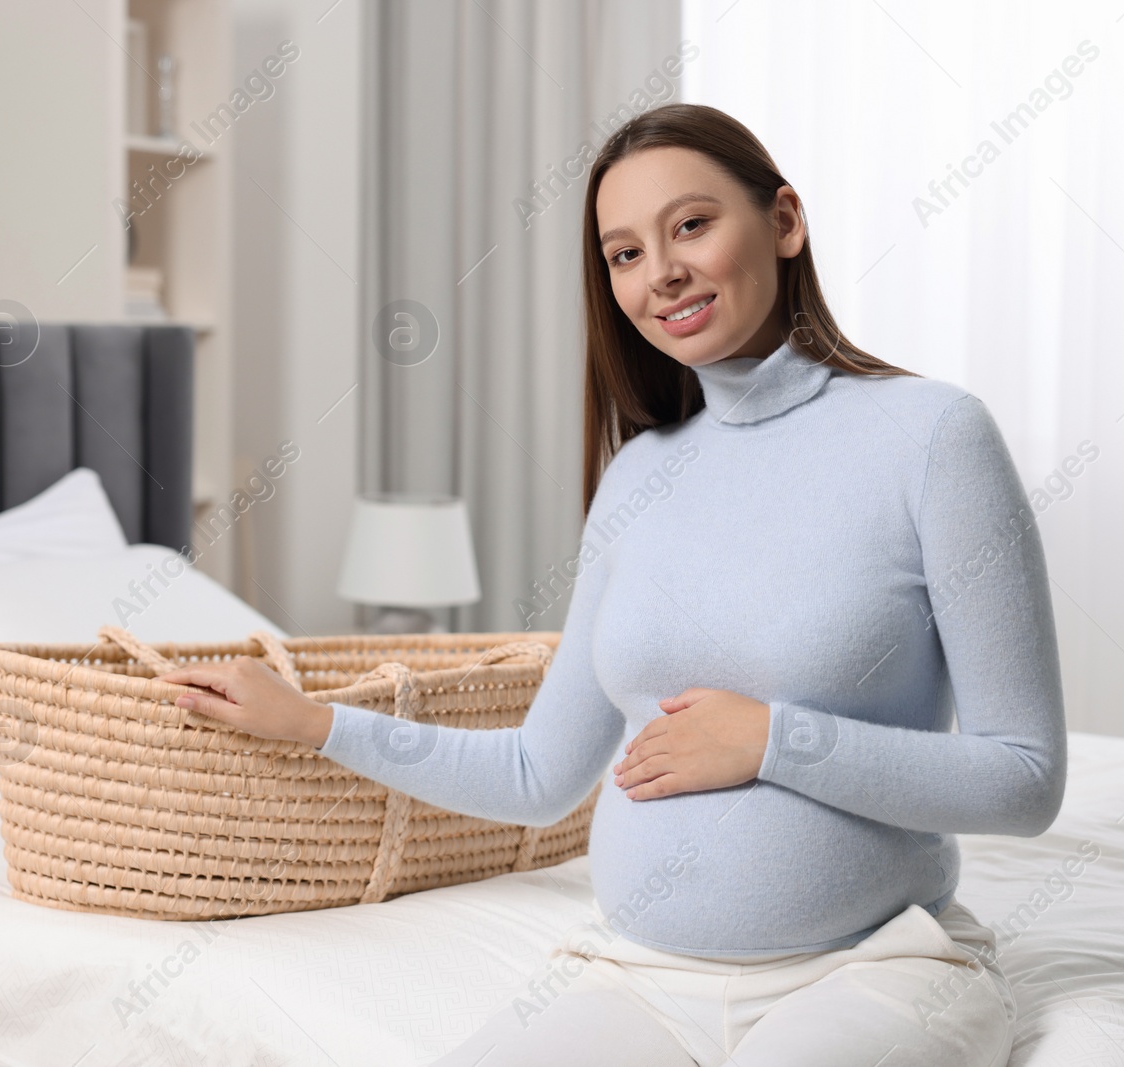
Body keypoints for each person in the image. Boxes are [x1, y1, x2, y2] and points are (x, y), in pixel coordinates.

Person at [159, 102, 1065, 1067]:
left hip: (878, 966)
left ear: (786, 222)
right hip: (642, 974)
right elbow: (539, 776)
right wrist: (315, 721)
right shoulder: (639, 474)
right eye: (623, 253)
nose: (660, 272)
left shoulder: (932, 437)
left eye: (692, 225)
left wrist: (772, 739)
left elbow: (1024, 778)